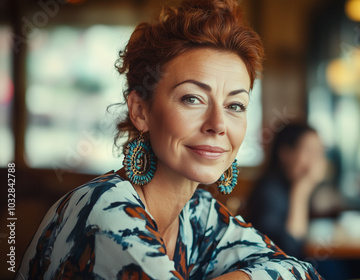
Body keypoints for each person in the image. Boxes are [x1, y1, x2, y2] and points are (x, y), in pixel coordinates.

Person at [16, 1, 323, 279]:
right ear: (140, 111)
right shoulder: (105, 209)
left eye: (235, 105)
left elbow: (301, 272)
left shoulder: (198, 214)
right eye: (192, 99)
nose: (218, 125)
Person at [246, 123, 327, 259]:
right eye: (308, 151)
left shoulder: (290, 184)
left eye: (319, 152)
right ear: (285, 154)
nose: (315, 160)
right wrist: (301, 191)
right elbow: (288, 250)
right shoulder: (269, 192)